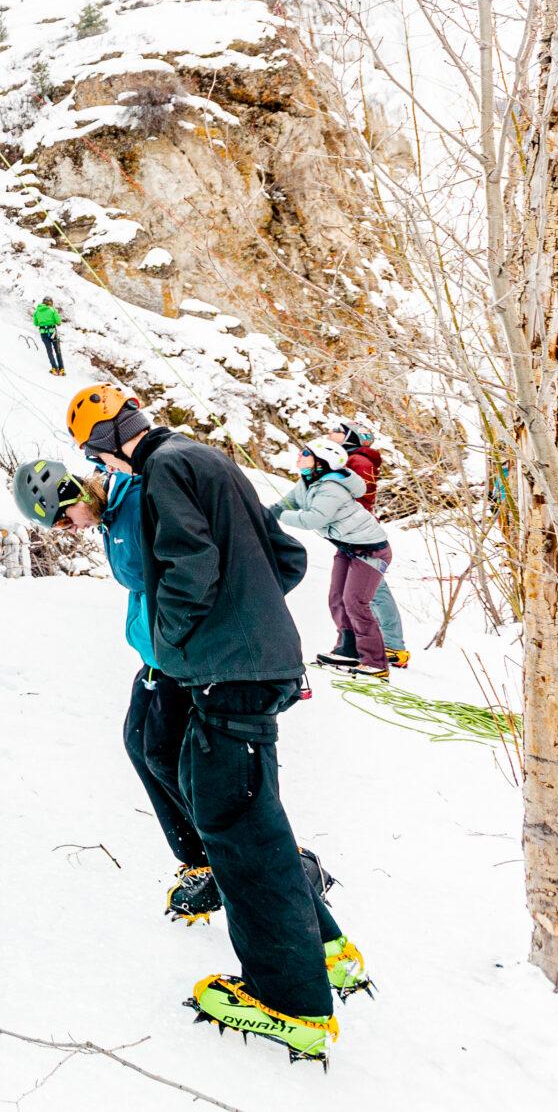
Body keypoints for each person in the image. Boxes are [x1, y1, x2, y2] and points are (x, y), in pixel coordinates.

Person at [66, 384, 370, 1063]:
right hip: (256, 663)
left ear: (106, 443)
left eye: (97, 456)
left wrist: (178, 641)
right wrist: (246, 611)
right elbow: (285, 559)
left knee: (237, 829)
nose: (105, 469)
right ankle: (325, 948)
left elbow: (190, 564)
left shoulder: (162, 469)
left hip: (227, 671)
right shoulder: (207, 459)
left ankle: (292, 1003)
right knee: (245, 816)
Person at [13, 457, 206, 917]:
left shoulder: (136, 502)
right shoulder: (111, 515)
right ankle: (196, 858)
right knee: (138, 743)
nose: (67, 528)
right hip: (155, 654)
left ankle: (214, 858)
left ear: (72, 493)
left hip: (181, 654)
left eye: (63, 518)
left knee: (164, 753)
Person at [273, 439, 394, 679]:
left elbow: (313, 519)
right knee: (337, 598)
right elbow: (285, 503)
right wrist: (262, 515)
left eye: (306, 453)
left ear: (321, 462)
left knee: (355, 601)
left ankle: (375, 662)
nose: (299, 455)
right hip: (346, 547)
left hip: (370, 550)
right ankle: (348, 649)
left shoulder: (331, 488)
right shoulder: (307, 483)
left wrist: (282, 515)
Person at [337, 422, 408, 666]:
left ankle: (393, 646)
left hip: (360, 535)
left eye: (338, 430)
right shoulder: (353, 459)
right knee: (371, 591)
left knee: (375, 591)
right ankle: (384, 643)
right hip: (353, 532)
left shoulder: (359, 462)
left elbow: (356, 495)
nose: (331, 433)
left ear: (351, 438)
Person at [31, 298, 66, 376]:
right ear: (50, 303)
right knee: (58, 351)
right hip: (53, 332)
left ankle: (54, 368)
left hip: (43, 334)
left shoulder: (37, 311)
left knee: (49, 351)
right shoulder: (52, 310)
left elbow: (36, 323)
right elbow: (58, 321)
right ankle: (61, 369)